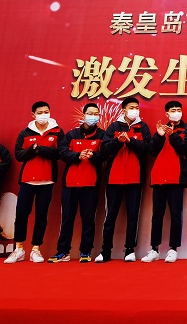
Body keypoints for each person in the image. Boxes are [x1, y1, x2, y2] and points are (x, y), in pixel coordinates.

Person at [5, 101, 64, 264]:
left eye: (46, 111)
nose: (44, 115)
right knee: (21, 214)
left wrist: (40, 148)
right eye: (40, 112)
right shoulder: (25, 133)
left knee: (41, 215)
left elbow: (60, 153)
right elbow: (19, 155)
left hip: (47, 180)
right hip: (27, 180)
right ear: (33, 115)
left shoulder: (57, 131)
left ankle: (36, 249)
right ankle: (19, 249)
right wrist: (32, 149)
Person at [96, 97, 152, 262]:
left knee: (133, 215)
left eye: (137, 107)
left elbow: (148, 148)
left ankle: (129, 250)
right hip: (114, 178)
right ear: (124, 110)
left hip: (135, 178)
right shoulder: (114, 126)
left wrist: (130, 141)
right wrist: (117, 142)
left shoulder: (143, 127)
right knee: (110, 216)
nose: (135, 110)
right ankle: (105, 250)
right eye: (131, 107)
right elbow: (104, 150)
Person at [49, 103, 105, 263]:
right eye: (90, 113)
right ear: (84, 115)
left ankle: (85, 251)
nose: (93, 116)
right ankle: (63, 251)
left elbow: (105, 154)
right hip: (70, 184)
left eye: (96, 114)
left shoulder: (102, 135)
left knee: (88, 219)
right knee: (67, 218)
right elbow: (63, 153)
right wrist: (78, 156)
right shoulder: (71, 134)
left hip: (91, 184)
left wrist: (93, 155)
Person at [141, 100, 187, 263]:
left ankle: (173, 249)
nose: (176, 112)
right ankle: (154, 249)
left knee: (175, 215)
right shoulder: (161, 129)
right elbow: (152, 151)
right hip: (159, 177)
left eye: (179, 109)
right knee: (157, 215)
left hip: (176, 178)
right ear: (167, 113)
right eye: (173, 110)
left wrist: (172, 135)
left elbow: (185, 148)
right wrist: (159, 136)